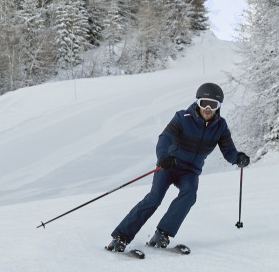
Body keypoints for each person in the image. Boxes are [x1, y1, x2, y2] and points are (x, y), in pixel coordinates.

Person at [107, 82, 249, 252]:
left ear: (219, 107)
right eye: (204, 103)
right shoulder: (182, 118)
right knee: (154, 198)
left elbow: (228, 150)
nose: (208, 108)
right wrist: (163, 158)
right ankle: (120, 237)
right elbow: (164, 138)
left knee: (189, 194)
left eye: (213, 105)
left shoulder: (220, 127)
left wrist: (238, 157)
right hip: (170, 166)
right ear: (198, 102)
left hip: (190, 172)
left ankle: (162, 234)